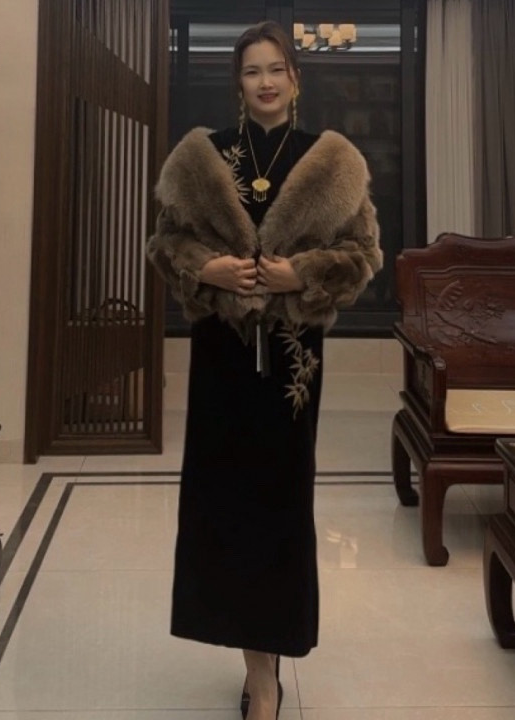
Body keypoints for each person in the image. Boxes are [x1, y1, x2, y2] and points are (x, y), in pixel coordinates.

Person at [147, 20, 382, 720]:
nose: (266, 82)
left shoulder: (328, 161)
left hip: (292, 362)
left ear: (296, 79)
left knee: (279, 506)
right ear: (238, 83)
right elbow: (166, 243)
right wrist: (207, 268)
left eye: (277, 68)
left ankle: (268, 670)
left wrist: (300, 274)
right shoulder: (206, 157)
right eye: (252, 71)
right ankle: (256, 664)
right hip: (221, 355)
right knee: (225, 504)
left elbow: (364, 255)